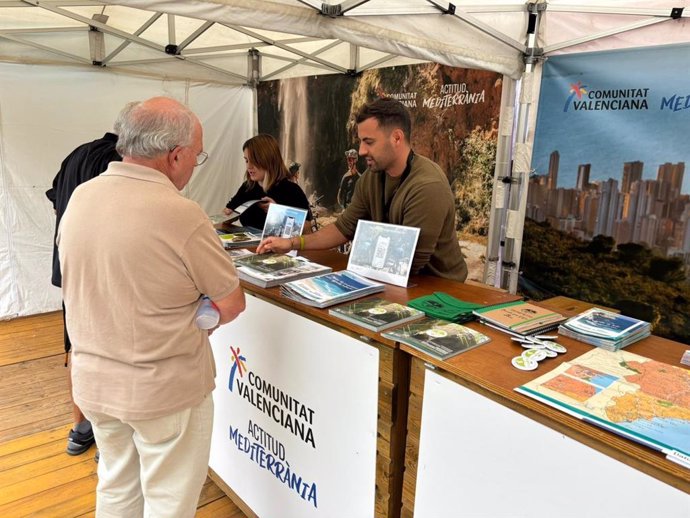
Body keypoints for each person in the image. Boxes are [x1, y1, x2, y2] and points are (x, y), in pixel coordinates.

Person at [57, 97, 246, 517]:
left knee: (116, 486)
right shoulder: (181, 214)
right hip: (164, 390)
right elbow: (232, 303)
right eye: (197, 156)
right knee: (169, 500)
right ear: (175, 155)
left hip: (95, 385)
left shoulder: (81, 198)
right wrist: (199, 310)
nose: (194, 166)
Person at [258, 98, 468, 281]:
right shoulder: (371, 177)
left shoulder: (427, 186)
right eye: (360, 142)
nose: (361, 151)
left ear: (396, 138)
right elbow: (344, 228)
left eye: (369, 142)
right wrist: (292, 243)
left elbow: (409, 264)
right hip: (396, 279)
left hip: (437, 288)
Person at [46, 105, 134, 457]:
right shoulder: (116, 163)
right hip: (106, 273)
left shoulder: (77, 152)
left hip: (70, 267)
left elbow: (54, 198)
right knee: (111, 350)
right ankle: (109, 439)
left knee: (77, 346)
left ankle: (80, 427)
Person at [223, 134, 312, 231]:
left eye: (254, 161)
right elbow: (227, 213)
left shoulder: (292, 190)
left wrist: (279, 213)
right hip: (250, 245)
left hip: (281, 245)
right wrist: (228, 215)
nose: (249, 166)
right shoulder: (247, 187)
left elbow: (308, 228)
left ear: (268, 160)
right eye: (246, 160)